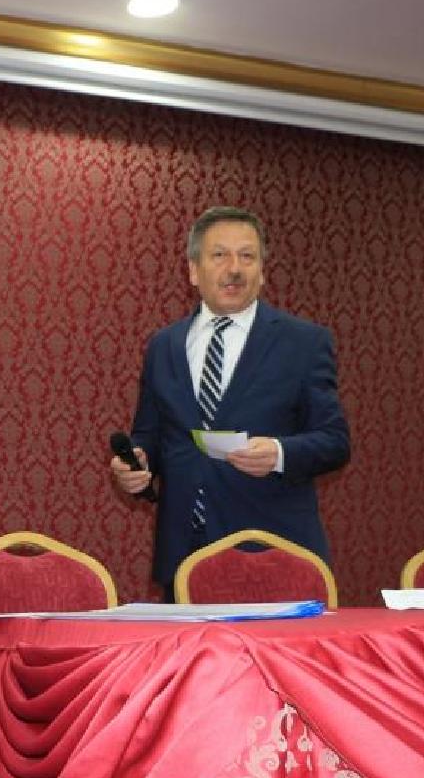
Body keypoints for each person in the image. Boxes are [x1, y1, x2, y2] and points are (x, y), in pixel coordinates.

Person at [110, 205, 351, 595]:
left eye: (247, 256)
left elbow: (335, 442)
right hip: (185, 556)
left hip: (274, 552)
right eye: (220, 255)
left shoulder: (304, 343)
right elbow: (150, 437)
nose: (234, 269)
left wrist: (279, 453)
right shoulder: (163, 346)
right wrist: (136, 465)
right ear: (194, 270)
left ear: (262, 271)